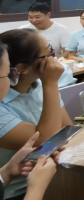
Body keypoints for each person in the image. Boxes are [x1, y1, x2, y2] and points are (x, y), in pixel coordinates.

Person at [0, 30, 71, 199]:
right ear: (21, 68)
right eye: (48, 54)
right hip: (19, 191)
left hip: (53, 175)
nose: (53, 59)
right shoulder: (47, 84)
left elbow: (67, 129)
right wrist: (51, 83)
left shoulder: (38, 85)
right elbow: (46, 143)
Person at [19, 3, 75, 88]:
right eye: (30, 17)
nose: (33, 20)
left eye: (37, 17)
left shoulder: (61, 29)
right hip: (30, 69)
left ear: (48, 14)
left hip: (52, 68)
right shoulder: (23, 30)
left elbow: (67, 51)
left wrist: (56, 63)